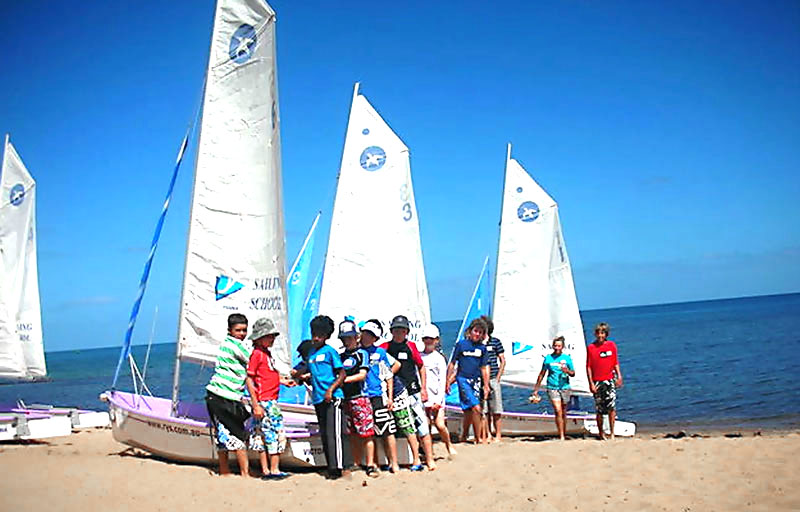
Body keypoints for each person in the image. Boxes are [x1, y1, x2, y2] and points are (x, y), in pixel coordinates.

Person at [379, 315, 436, 471]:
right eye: (396, 330)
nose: (399, 333)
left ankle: (429, 459)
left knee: (421, 425)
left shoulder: (411, 346)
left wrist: (423, 388)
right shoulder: (385, 347)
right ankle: (395, 460)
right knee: (396, 426)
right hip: (394, 393)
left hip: (412, 391)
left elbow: (421, 366)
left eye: (402, 330)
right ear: (391, 331)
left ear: (407, 332)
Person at [300, 315, 351, 478]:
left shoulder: (330, 351)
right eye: (314, 334)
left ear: (326, 336)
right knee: (325, 434)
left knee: (336, 433)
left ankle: (343, 467)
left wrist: (331, 390)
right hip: (318, 398)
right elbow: (310, 372)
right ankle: (331, 467)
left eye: (320, 335)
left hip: (333, 398)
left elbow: (341, 374)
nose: (316, 338)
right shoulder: (311, 353)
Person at [245, 318, 296, 479]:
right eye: (269, 336)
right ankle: (273, 469)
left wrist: (283, 381)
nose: (272, 339)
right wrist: (256, 404)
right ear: (260, 338)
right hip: (265, 401)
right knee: (274, 433)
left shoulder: (265, 354)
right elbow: (250, 378)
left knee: (263, 434)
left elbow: (266, 376)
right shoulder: (257, 354)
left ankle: (266, 470)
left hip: (266, 400)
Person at [205, 313, 252, 476]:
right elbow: (254, 362)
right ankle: (244, 473)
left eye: (244, 330)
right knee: (237, 433)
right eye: (238, 330)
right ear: (229, 330)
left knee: (222, 434)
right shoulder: (235, 345)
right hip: (224, 396)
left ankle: (225, 470)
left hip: (217, 395)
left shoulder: (225, 344)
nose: (242, 334)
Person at [338, 319, 379, 477]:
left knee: (367, 433)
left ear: (356, 337)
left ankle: (370, 464)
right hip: (346, 398)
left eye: (349, 338)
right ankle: (356, 462)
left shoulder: (362, 354)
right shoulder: (340, 356)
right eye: (344, 338)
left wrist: (343, 380)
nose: (346, 341)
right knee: (352, 433)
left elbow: (362, 375)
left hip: (360, 397)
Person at [359, 319, 401, 473]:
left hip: (378, 395)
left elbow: (389, 374)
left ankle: (394, 462)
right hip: (362, 396)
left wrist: (390, 397)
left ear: (375, 338)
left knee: (387, 430)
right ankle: (374, 462)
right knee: (369, 432)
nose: (366, 337)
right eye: (365, 333)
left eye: (370, 335)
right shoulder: (357, 352)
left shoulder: (380, 353)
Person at [446, 317, 490, 445]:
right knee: (476, 408)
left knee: (468, 411)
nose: (477, 334)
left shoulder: (482, 348)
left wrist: (486, 385)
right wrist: (448, 380)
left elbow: (484, 368)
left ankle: (464, 435)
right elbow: (452, 363)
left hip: (476, 381)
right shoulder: (461, 345)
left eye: (480, 332)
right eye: (476, 331)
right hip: (463, 380)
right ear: (470, 331)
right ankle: (478, 438)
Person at [420, 324, 456, 457]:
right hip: (423, 397)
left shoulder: (439, 358)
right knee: (425, 426)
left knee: (440, 424)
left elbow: (442, 381)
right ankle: (428, 450)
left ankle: (448, 445)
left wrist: (438, 401)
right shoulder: (419, 356)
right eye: (426, 338)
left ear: (437, 340)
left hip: (436, 397)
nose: (428, 341)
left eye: (431, 339)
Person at [530, 336, 575, 440]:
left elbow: (573, 373)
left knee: (563, 411)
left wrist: (567, 371)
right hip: (552, 387)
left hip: (564, 387)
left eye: (559, 346)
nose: (557, 348)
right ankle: (561, 435)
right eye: (555, 346)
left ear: (562, 347)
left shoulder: (567, 358)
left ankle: (564, 431)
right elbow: (542, 374)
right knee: (558, 410)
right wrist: (536, 390)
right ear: (552, 346)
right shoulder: (548, 358)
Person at [586, 322, 623, 440]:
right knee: (600, 409)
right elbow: (588, 367)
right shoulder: (591, 348)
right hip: (597, 381)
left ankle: (612, 433)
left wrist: (619, 376)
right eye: (598, 333)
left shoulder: (611, 345)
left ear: (606, 334)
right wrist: (591, 383)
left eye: (602, 333)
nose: (600, 335)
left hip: (609, 380)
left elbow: (615, 362)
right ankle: (601, 433)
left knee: (611, 407)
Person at [480, 315, 506, 442]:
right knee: (484, 410)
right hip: (481, 380)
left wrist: (498, 377)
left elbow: (502, 360)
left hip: (493, 379)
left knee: (496, 409)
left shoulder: (495, 342)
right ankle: (488, 434)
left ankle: (498, 434)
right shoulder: (477, 343)